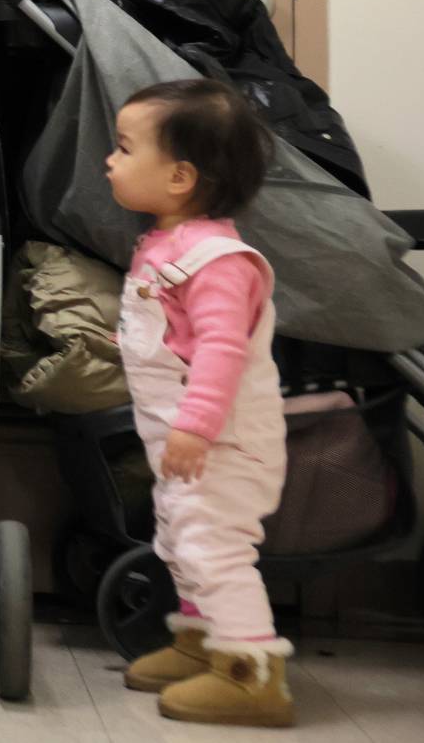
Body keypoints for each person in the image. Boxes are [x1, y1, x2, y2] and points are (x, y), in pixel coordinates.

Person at [105, 79, 294, 727]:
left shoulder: (218, 260)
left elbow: (221, 350)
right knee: (181, 541)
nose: (110, 159)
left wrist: (196, 424)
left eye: (125, 148)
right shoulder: (167, 244)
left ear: (180, 176)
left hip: (221, 443)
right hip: (184, 442)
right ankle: (201, 644)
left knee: (213, 548)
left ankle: (251, 673)